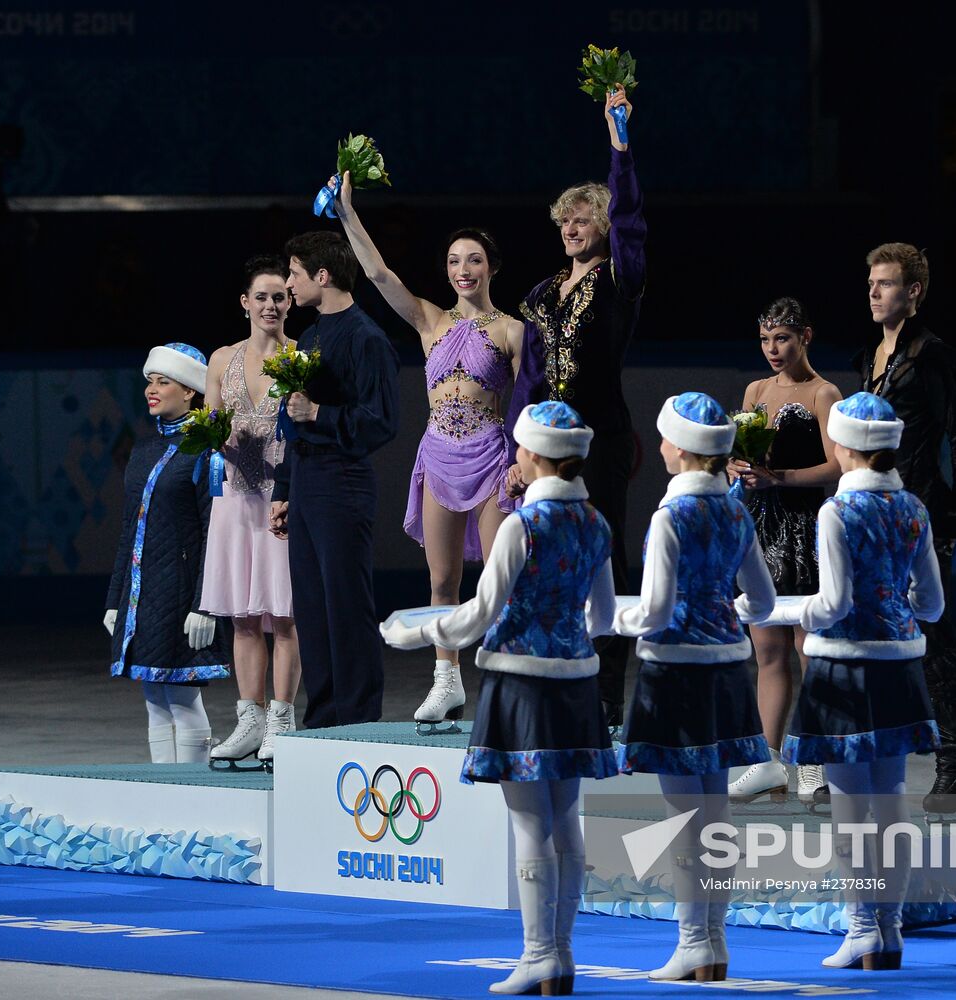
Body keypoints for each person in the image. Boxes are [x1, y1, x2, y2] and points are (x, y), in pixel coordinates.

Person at [382, 401, 617, 997]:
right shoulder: (596, 523)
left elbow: (480, 614)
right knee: (566, 820)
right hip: (576, 683)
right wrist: (563, 636)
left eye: (519, 448)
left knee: (530, 824)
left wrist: (420, 633)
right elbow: (606, 616)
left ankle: (539, 955)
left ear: (535, 455)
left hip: (522, 684)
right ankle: (560, 956)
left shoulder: (522, 525)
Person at [329, 173, 521, 731]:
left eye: (475, 260)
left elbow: (533, 396)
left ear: (492, 267)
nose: (463, 269)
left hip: (489, 456)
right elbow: (377, 272)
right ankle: (447, 682)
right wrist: (346, 213)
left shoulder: (512, 331)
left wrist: (523, 463)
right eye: (455, 261)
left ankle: (510, 682)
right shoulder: (429, 320)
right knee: (442, 580)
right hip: (439, 454)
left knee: (497, 580)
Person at [614, 392, 777, 983]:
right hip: (730, 670)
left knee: (686, 817)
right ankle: (712, 942)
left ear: (680, 448)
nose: (658, 445)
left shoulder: (669, 516)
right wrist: (720, 608)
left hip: (677, 673)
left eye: (663, 436)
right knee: (715, 814)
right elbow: (761, 601)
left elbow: (654, 611)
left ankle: (693, 943)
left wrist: (608, 618)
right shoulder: (735, 512)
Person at [782, 392, 944, 970]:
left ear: (845, 445)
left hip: (845, 666)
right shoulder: (913, 509)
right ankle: (890, 930)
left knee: (851, 806)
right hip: (899, 664)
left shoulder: (837, 511)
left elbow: (832, 604)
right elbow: (931, 604)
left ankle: (860, 929)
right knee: (891, 800)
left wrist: (786, 613)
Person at [513, 84, 647, 730]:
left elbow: (630, 222)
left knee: (603, 555)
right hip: (544, 449)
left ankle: (605, 697)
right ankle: (557, 678)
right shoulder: (540, 294)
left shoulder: (617, 279)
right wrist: (519, 448)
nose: (571, 229)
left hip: (601, 440)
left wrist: (618, 143)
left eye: (583, 220)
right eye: (564, 222)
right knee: (546, 554)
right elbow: (529, 379)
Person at [858, 243, 956, 813]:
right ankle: (885, 752)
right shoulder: (872, 356)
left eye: (886, 283)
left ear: (914, 293)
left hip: (921, 512)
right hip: (875, 512)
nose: (874, 291)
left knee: (932, 634)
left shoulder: (931, 355)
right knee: (880, 636)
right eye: (872, 282)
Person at [269, 231, 400, 729]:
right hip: (306, 481)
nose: (288, 283)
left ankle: (358, 721)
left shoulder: (366, 337)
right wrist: (284, 488)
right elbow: (292, 419)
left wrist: (321, 412)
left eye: (295, 273)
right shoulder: (309, 337)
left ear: (322, 277)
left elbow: (381, 421)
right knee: (312, 607)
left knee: (345, 605)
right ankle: (322, 721)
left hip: (342, 483)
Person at [726, 298, 842, 809]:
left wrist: (782, 478)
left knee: (807, 650)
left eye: (783, 339)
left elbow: (839, 466)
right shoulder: (755, 390)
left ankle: (812, 761)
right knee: (767, 653)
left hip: (805, 530)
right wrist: (738, 466)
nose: (773, 350)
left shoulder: (825, 393)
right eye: (766, 339)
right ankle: (767, 762)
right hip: (760, 528)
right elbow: (746, 453)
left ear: (806, 337)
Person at [104, 344, 232, 763]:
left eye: (163, 382)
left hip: (182, 598)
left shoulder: (208, 452)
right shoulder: (142, 453)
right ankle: (165, 796)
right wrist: (115, 602)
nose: (151, 390)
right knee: (155, 699)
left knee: (182, 700)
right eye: (149, 382)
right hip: (143, 600)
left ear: (191, 391)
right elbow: (129, 531)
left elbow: (216, 532)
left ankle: (195, 795)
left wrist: (206, 605)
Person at [202, 255, 302, 768]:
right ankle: (251, 717)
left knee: (284, 616)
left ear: (290, 301)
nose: (270, 305)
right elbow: (211, 424)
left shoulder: (302, 357)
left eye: (278, 296)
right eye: (260, 297)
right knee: (243, 617)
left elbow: (309, 429)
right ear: (245, 303)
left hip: (281, 500)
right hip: (237, 500)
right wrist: (223, 440)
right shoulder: (222, 359)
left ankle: (282, 718)